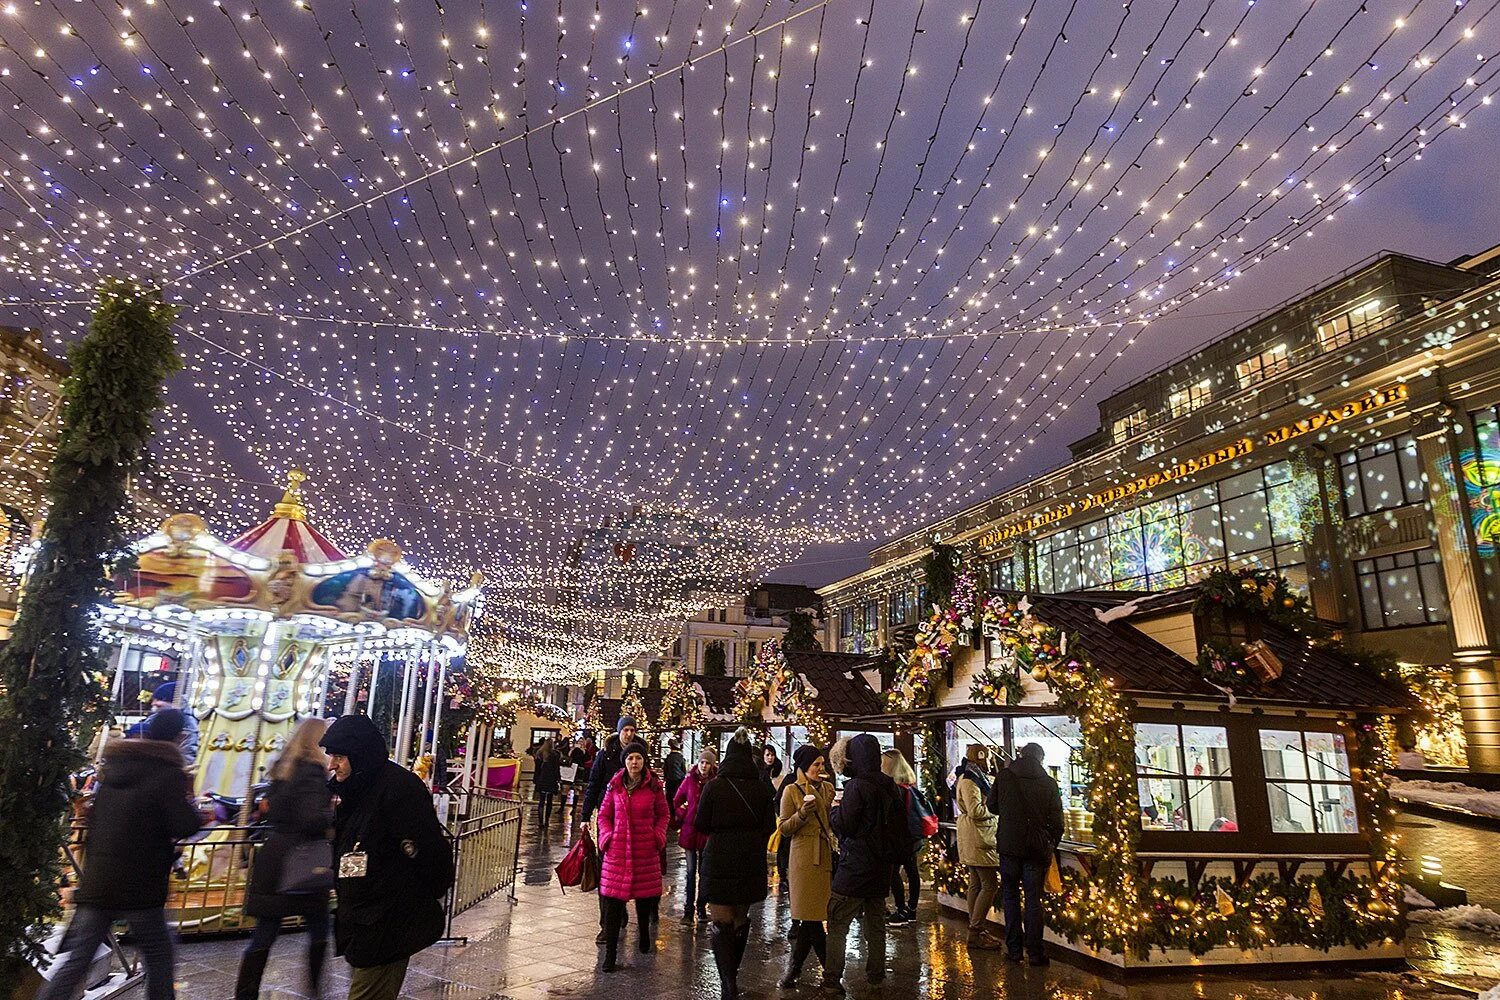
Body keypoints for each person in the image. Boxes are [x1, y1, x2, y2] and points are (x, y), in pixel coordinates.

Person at [40, 710, 203, 1000]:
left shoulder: (115, 771)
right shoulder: (168, 774)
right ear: (179, 737)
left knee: (78, 960)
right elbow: (184, 824)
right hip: (140, 883)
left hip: (100, 880)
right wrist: (198, 811)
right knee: (160, 958)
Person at [319, 714, 454, 1000]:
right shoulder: (358, 788)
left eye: (339, 756)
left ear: (359, 754)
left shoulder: (397, 790)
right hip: (363, 919)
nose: (332, 765)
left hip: (386, 922)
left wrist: (418, 895)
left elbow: (429, 852)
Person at [235, 718, 335, 1000]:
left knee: (265, 931)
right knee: (319, 928)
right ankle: (316, 989)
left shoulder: (283, 770)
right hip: (302, 859)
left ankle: (245, 993)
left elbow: (274, 810)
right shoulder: (313, 773)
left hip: (274, 855)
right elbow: (311, 818)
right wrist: (333, 815)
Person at [824, 733, 912, 995]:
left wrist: (834, 811)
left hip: (855, 867)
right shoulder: (890, 785)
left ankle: (831, 979)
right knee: (875, 926)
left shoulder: (856, 787)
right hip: (881, 867)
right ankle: (876, 976)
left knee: (838, 922)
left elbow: (846, 826)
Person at [695, 727, 776, 1000]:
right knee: (741, 919)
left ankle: (727, 982)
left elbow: (701, 823)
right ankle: (733, 974)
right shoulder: (761, 789)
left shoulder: (714, 786)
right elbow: (769, 825)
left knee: (721, 920)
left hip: (719, 857)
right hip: (749, 858)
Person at [988, 742, 1064, 966]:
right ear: (1040, 759)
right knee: (1033, 900)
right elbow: (1058, 822)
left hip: (1009, 847)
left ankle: (1014, 950)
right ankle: (1035, 953)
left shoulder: (1004, 777)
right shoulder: (1049, 783)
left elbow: (991, 806)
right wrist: (1049, 843)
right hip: (1035, 850)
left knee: (1010, 897)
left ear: (1021, 755)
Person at [597, 739, 670, 971]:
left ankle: (645, 934)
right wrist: (606, 836)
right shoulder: (615, 785)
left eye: (638, 758)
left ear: (644, 760)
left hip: (644, 851)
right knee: (612, 906)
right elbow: (604, 815)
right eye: (630, 758)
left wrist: (657, 836)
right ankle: (610, 955)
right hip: (617, 853)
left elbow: (663, 815)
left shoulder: (654, 787)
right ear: (625, 762)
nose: (634, 762)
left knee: (645, 899)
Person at [777, 744, 834, 989]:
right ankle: (828, 971)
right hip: (802, 857)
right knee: (809, 919)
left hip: (824, 854)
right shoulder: (791, 790)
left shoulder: (829, 789)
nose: (820, 769)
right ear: (804, 766)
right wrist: (802, 813)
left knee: (811, 918)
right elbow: (784, 828)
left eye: (822, 764)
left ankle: (795, 971)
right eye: (816, 765)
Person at [583, 716, 639, 941]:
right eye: (625, 729)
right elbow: (593, 784)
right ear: (619, 731)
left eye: (632, 729)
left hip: (631, 821)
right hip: (606, 819)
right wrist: (585, 815)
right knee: (605, 870)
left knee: (625, 871)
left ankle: (619, 908)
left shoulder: (639, 755)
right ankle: (606, 924)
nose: (629, 734)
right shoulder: (605, 755)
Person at [955, 745, 1004, 951]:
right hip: (979, 836)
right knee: (989, 884)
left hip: (976, 835)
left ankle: (976, 928)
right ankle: (976, 930)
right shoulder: (970, 780)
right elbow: (976, 810)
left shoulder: (971, 777)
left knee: (976, 883)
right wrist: (997, 808)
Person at [672, 745, 719, 923]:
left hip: (707, 833)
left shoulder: (715, 782)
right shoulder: (689, 780)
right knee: (691, 871)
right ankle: (688, 909)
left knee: (704, 872)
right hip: (690, 832)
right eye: (702, 762)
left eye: (707, 763)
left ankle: (701, 907)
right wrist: (683, 813)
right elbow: (677, 800)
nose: (704, 766)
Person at [881, 748, 925, 927]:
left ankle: (901, 910)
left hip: (899, 838)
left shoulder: (893, 789)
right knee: (912, 871)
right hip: (913, 836)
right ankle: (912, 910)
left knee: (893, 873)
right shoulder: (909, 784)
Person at [124, 681, 201, 767]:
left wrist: (181, 767)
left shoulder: (186, 722)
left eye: (159, 700)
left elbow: (188, 749)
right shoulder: (154, 717)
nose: (153, 703)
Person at [532, 737, 562, 827]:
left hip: (542, 779)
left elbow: (537, 769)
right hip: (551, 779)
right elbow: (556, 768)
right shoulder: (555, 755)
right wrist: (558, 779)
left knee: (541, 801)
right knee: (549, 801)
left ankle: (540, 821)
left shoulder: (539, 754)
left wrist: (536, 780)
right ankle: (547, 821)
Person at [662, 737, 688, 811]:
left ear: (670, 747)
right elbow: (684, 770)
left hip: (670, 781)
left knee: (669, 798)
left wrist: (665, 779)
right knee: (678, 797)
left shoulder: (668, 758)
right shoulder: (681, 757)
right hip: (679, 781)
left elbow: (665, 771)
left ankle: (671, 812)